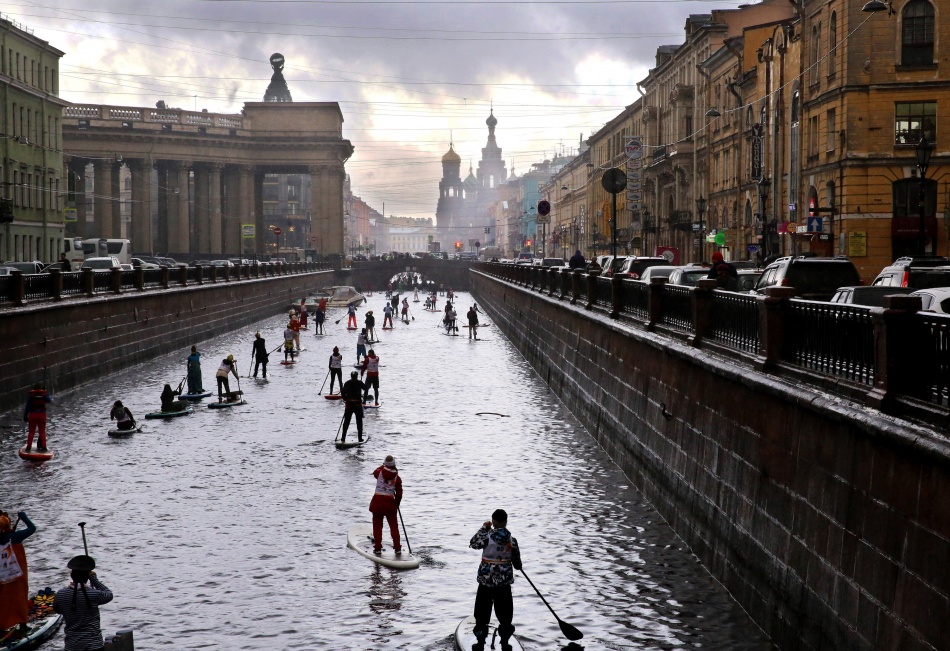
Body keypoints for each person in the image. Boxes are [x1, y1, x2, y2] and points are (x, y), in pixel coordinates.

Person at [469, 509, 521, 651]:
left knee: (481, 615)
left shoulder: (486, 537)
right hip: (503, 585)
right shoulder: (512, 541)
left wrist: (484, 528)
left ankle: (480, 643)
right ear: (506, 522)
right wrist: (516, 564)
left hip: (486, 583)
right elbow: (517, 564)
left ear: (493, 522)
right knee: (505, 616)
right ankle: (505, 643)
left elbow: (473, 543)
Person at [53, 556, 114, 651]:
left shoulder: (61, 594)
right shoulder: (94, 594)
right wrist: (94, 579)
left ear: (72, 576)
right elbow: (109, 594)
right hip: (94, 645)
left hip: (71, 646)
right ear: (87, 577)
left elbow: (57, 610)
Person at [0, 510, 36, 633]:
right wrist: (24, 517)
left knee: (2, 599)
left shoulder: (13, 536)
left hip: (1, 577)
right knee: (19, 597)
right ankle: (22, 624)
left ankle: (2, 625)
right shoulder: (15, 537)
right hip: (16, 574)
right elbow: (32, 528)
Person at [368, 455, 402, 554]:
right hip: (390, 503)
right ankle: (397, 548)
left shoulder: (379, 472)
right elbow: (399, 493)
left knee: (377, 526)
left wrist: (383, 466)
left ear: (385, 464)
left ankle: (377, 548)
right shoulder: (397, 478)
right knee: (394, 526)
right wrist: (397, 503)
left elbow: (375, 471)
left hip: (377, 502)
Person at [23, 383, 51, 453]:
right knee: (42, 432)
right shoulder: (44, 394)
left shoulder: (31, 396)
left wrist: (25, 416)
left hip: (33, 415)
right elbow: (49, 400)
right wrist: (45, 392)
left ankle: (28, 447)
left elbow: (27, 407)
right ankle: (44, 447)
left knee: (31, 432)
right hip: (42, 415)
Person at [340, 371, 366, 443]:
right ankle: (360, 438)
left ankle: (343, 438)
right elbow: (365, 388)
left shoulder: (347, 383)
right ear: (357, 376)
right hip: (357, 404)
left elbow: (342, 392)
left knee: (346, 422)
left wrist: (345, 399)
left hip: (349, 404)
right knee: (359, 422)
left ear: (351, 376)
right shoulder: (359, 382)